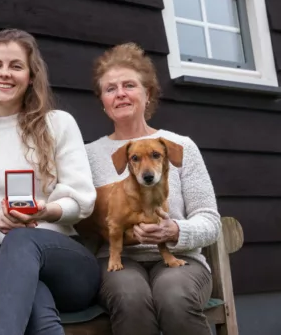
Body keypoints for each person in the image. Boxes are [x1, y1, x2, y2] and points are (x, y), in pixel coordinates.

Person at [0, 28, 101, 335]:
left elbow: (82, 200)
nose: (4, 74)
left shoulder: (57, 123)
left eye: (16, 66)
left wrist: (44, 212)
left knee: (21, 240)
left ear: (31, 76)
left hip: (62, 257)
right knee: (33, 303)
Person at [84, 42, 222, 335]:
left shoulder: (180, 146)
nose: (120, 93)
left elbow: (210, 220)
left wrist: (175, 231)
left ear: (148, 94)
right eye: (110, 89)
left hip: (180, 258)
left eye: (129, 85)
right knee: (130, 297)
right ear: (103, 102)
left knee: (174, 297)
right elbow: (82, 219)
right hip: (119, 261)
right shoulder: (88, 156)